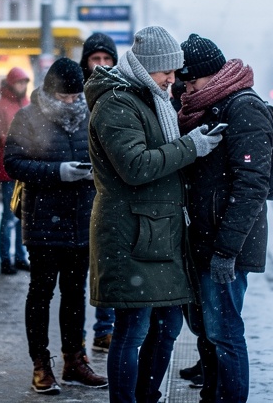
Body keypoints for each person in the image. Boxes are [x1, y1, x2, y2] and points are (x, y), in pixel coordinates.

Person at [85, 25, 223, 403]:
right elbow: (135, 165)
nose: (172, 81)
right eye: (168, 72)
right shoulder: (117, 102)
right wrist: (191, 147)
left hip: (155, 235)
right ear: (148, 67)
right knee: (133, 328)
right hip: (130, 234)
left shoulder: (148, 98)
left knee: (167, 325)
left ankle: (146, 395)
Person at [176, 34, 273, 403]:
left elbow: (251, 186)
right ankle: (211, 395)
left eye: (191, 80)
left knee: (225, 332)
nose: (187, 88)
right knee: (207, 330)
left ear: (209, 74)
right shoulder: (207, 106)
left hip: (225, 245)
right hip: (202, 239)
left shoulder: (242, 107)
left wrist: (227, 250)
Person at [5, 58, 108, 395]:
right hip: (43, 224)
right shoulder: (28, 117)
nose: (70, 102)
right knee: (41, 294)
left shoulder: (88, 115)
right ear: (50, 91)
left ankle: (74, 360)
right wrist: (59, 172)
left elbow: (104, 156)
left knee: (75, 294)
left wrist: (93, 172)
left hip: (81, 220)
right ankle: (41, 364)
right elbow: (13, 163)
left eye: (74, 96)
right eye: (64, 97)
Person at [79, 32, 120, 354]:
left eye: (107, 59)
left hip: (105, 193)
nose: (102, 65)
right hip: (77, 196)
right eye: (96, 59)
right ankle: (78, 337)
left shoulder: (119, 95)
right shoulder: (74, 93)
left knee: (105, 266)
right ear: (86, 61)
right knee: (78, 273)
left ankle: (104, 329)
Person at [0, 67, 31, 275]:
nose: (22, 86)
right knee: (9, 216)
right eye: (19, 82)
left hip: (26, 169)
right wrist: (14, 141)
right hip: (9, 170)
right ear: (11, 83)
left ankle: (20, 257)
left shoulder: (27, 103)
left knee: (22, 216)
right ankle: (6, 259)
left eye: (24, 82)